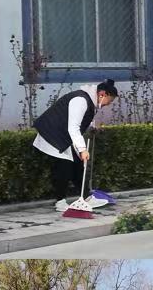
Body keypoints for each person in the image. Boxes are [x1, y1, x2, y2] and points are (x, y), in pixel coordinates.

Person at [32, 79, 118, 212]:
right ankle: (60, 202)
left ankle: (86, 197)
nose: (108, 104)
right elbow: (73, 127)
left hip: (62, 135)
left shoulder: (89, 101)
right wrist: (82, 149)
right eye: (110, 100)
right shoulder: (80, 100)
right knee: (64, 166)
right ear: (102, 94)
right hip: (53, 134)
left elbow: (81, 119)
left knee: (78, 164)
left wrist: (91, 127)